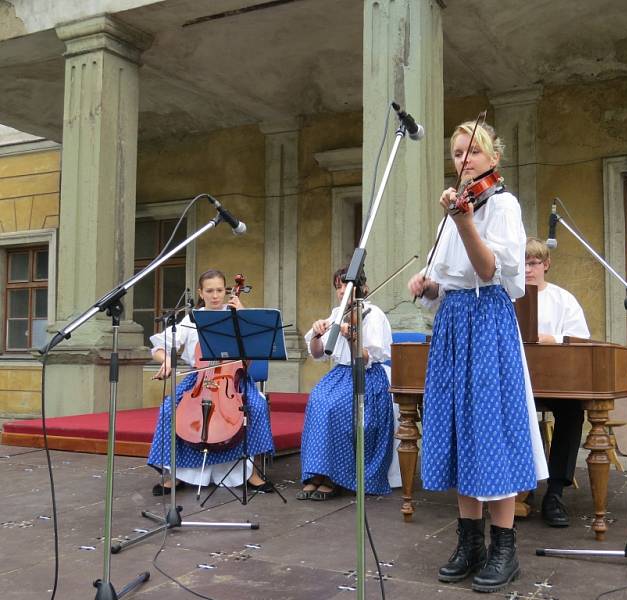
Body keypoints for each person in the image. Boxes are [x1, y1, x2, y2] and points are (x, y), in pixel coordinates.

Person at [408, 121, 548, 593]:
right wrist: (428, 286)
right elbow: (445, 278)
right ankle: (470, 542)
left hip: (487, 321)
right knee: (460, 428)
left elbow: (490, 270)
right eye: (456, 153)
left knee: (492, 426)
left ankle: (504, 548)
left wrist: (465, 218)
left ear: (493, 159)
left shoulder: (503, 205)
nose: (463, 159)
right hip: (453, 322)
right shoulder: (451, 211)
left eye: (472, 151)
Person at [147, 269, 274, 496]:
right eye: (209, 291)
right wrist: (166, 360)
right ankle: (174, 473)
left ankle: (252, 473)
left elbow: (256, 348)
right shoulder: (192, 319)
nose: (215, 296)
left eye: (219, 290)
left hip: (233, 380)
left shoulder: (236, 314)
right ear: (201, 293)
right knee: (169, 410)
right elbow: (158, 347)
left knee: (257, 407)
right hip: (200, 379)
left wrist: (244, 320)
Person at [297, 268, 397, 501]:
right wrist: (316, 336)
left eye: (346, 286)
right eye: (338, 287)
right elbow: (318, 353)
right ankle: (317, 472)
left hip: (366, 376)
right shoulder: (336, 314)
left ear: (362, 288)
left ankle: (336, 475)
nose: (341, 292)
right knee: (318, 400)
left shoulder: (373, 315)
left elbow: (364, 358)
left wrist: (352, 337)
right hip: (340, 374)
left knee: (337, 407)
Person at [523, 237, 590, 528]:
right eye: (523, 263)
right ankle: (515, 488)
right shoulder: (505, 296)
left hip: (555, 382)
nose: (528, 270)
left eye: (534, 263)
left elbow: (581, 339)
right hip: (517, 382)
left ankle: (555, 492)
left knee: (573, 411)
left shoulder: (563, 299)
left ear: (546, 265)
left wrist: (554, 339)